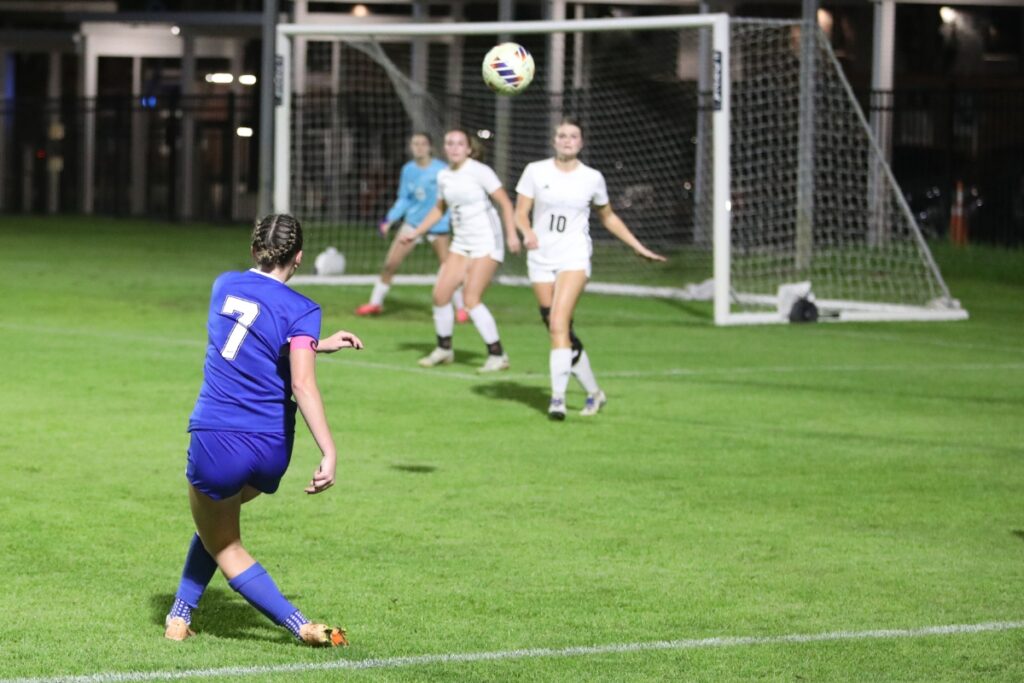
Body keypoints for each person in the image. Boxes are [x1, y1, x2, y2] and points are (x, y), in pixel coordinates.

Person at [164, 214, 363, 646]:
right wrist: (328, 451)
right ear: (299, 258)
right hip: (272, 447)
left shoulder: (224, 285)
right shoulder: (304, 310)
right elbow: (301, 380)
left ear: (255, 250)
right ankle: (179, 614)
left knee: (224, 540)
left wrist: (311, 344)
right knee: (216, 525)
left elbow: (251, 331)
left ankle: (300, 625)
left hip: (218, 438)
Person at [514, 119, 666, 420]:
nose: (567, 140)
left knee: (558, 323)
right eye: (562, 135)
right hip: (541, 257)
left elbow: (608, 217)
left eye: (573, 136)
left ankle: (557, 400)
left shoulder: (592, 178)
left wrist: (638, 247)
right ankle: (594, 393)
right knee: (559, 329)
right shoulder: (535, 171)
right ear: (554, 140)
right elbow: (520, 212)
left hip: (574, 257)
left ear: (581, 143)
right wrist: (526, 231)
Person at [401, 128, 521, 373]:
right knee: (440, 294)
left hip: (487, 241)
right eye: (450, 143)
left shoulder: (479, 171)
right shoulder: (444, 175)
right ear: (444, 148)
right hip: (462, 243)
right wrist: (417, 231)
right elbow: (439, 209)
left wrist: (511, 235)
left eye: (459, 144)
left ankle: (498, 355)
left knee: (470, 299)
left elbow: (506, 203)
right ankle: (444, 349)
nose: (454, 148)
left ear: (468, 148)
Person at [356, 132, 468, 322]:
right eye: (415, 144)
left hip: (437, 226)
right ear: (410, 147)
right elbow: (404, 198)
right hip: (413, 223)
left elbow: (449, 198)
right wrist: (389, 220)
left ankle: (461, 309)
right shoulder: (408, 170)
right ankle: (375, 303)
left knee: (448, 268)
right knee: (391, 263)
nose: (419, 147)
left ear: (430, 147)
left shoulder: (441, 170)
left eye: (423, 144)